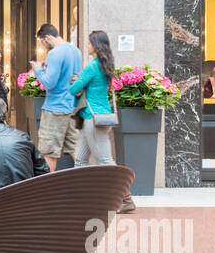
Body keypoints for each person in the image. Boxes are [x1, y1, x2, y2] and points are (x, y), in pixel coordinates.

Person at [70, 29, 135, 214]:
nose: (87, 46)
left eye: (90, 43)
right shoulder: (106, 65)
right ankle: (80, 199)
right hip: (98, 117)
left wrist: (78, 89)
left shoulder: (92, 66)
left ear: (96, 46)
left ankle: (127, 199)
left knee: (105, 159)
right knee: (81, 159)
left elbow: (74, 88)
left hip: (93, 119)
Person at [28, 23, 82, 172]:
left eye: (42, 42)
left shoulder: (55, 53)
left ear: (47, 38)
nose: (44, 46)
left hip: (55, 108)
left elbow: (49, 83)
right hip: (72, 107)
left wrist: (38, 69)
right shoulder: (76, 51)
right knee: (75, 149)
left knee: (48, 152)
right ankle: (92, 183)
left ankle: (48, 191)